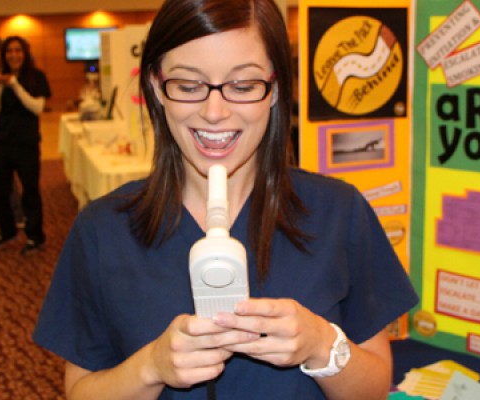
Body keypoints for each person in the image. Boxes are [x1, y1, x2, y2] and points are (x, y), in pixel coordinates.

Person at [33, 0, 418, 399]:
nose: (214, 111)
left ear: (275, 89)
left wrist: (321, 344)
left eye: (243, 86)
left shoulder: (339, 213)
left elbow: (373, 388)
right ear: (155, 86)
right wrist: (151, 367)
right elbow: (80, 391)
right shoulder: (103, 230)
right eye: (187, 85)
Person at [0, 36, 51, 255]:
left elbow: (36, 108)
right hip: (1, 141)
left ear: (24, 53)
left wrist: (15, 85)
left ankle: (35, 236)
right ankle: (6, 230)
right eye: (9, 51)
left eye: (17, 50)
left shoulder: (36, 77)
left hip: (26, 143)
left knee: (30, 190)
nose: (13, 55)